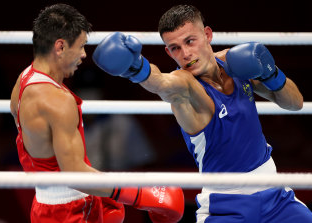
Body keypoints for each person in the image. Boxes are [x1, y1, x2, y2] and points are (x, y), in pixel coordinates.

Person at [92, 4, 312, 223]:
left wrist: (271, 73)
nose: (185, 54)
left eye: (190, 41)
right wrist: (136, 68)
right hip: (227, 207)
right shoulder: (186, 86)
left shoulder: (236, 64)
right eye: (175, 48)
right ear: (168, 52)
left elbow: (295, 103)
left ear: (207, 35)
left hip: (276, 197)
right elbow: (161, 82)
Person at [10, 3, 184, 223]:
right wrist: (138, 194)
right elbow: (74, 173)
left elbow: (41, 154)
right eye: (81, 46)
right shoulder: (57, 101)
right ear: (60, 46)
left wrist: (99, 190)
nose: (84, 55)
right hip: (71, 210)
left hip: (44, 205)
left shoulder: (23, 81)